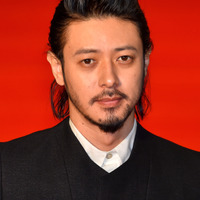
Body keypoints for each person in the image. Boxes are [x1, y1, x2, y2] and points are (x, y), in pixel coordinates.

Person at [0, 0, 199, 199]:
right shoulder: (7, 172)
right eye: (88, 61)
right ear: (57, 68)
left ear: (145, 62)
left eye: (124, 58)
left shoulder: (192, 175)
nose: (109, 79)